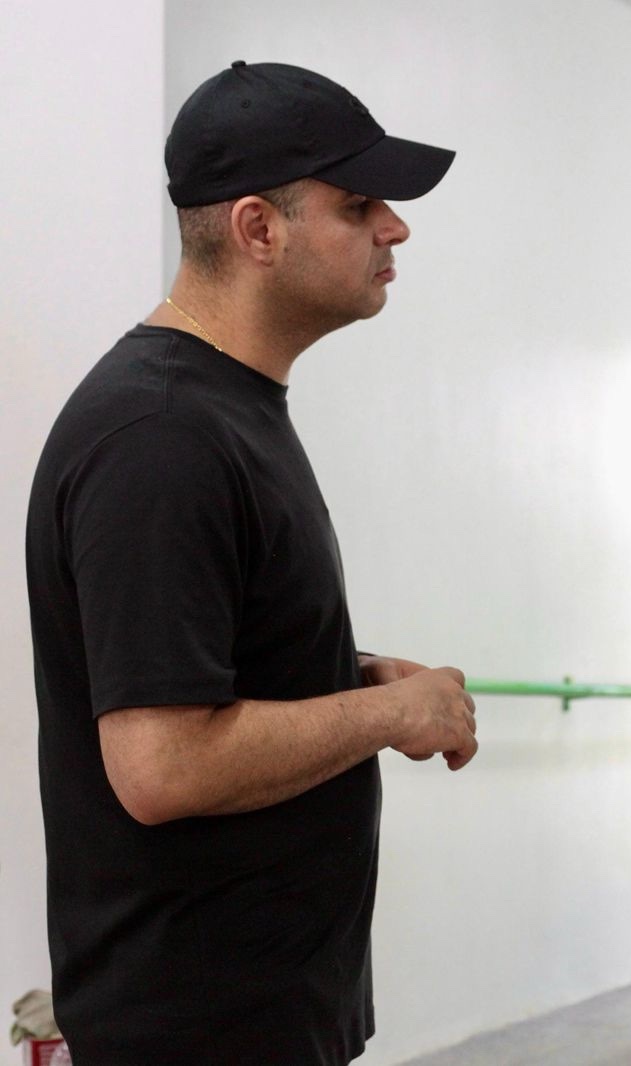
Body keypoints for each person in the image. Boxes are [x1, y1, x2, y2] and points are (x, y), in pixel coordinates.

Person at [25, 61, 473, 1063]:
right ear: (257, 230)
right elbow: (162, 763)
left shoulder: (221, 408)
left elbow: (206, 665)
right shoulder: (160, 435)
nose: (395, 228)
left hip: (258, 1019)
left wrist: (353, 676)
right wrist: (390, 716)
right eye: (357, 205)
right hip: (195, 1032)